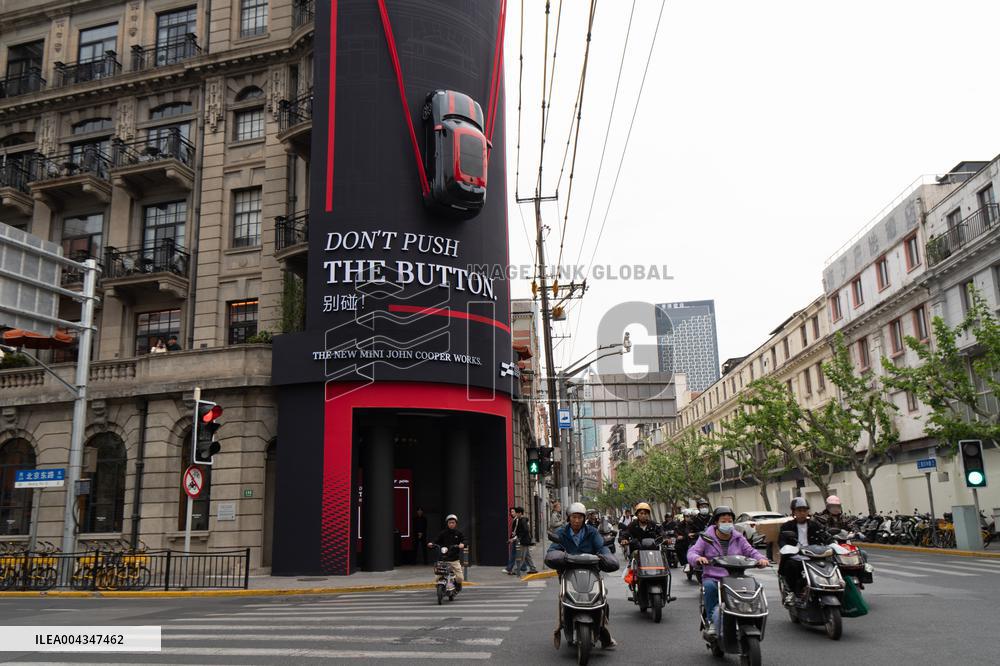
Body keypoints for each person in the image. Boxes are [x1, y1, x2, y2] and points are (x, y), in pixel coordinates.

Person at [688, 506, 769, 639]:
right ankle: (712, 622)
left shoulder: (739, 538)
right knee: (709, 587)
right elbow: (693, 552)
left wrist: (761, 559)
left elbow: (751, 551)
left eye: (730, 521)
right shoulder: (706, 538)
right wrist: (698, 558)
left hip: (736, 577)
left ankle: (752, 619)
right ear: (716, 522)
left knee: (754, 586)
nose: (727, 524)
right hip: (714, 577)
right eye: (723, 521)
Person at [545, 502, 619, 649]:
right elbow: (553, 549)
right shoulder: (562, 532)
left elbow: (602, 547)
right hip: (569, 573)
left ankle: (603, 630)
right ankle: (562, 624)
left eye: (580, 517)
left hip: (591, 572)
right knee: (564, 598)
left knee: (602, 598)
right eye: (574, 517)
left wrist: (607, 557)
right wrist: (557, 555)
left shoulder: (592, 532)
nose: (577, 520)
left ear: (584, 518)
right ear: (568, 518)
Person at [778, 497, 830, 604]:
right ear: (793, 512)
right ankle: (791, 591)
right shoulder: (787, 526)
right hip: (796, 556)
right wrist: (788, 549)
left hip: (814, 556)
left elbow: (825, 536)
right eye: (799, 510)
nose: (802, 513)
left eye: (804, 510)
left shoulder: (815, 525)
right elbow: (782, 540)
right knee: (790, 565)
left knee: (830, 563)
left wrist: (832, 543)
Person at [427, 513, 465, 590]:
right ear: (447, 523)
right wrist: (432, 543)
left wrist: (462, 544)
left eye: (453, 522)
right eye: (449, 522)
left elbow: (465, 540)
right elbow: (436, 540)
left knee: (460, 578)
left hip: (454, 559)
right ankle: (442, 586)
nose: (451, 524)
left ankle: (456, 584)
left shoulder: (459, 533)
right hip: (443, 559)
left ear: (456, 524)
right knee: (438, 577)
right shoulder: (443, 533)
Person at [514, 506, 538, 574]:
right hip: (525, 540)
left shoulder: (523, 520)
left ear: (520, 513)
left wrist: (520, 537)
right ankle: (533, 568)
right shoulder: (522, 520)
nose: (515, 514)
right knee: (527, 556)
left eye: (516, 513)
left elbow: (526, 530)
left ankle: (517, 570)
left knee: (521, 556)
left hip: (524, 541)